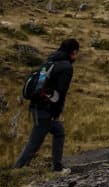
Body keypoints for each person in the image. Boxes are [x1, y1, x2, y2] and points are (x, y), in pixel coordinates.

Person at [15, 37, 81, 173]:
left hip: (38, 106)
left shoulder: (51, 60)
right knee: (34, 144)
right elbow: (60, 94)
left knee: (59, 131)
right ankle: (15, 171)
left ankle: (57, 167)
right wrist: (55, 114)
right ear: (74, 52)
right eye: (77, 52)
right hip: (45, 110)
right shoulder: (66, 67)